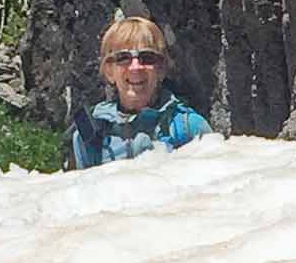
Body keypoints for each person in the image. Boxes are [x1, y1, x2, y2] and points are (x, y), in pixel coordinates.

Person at [67, 16, 215, 169]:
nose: (135, 67)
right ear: (109, 71)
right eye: (123, 58)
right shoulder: (89, 135)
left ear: (161, 69)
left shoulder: (188, 127)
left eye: (147, 57)